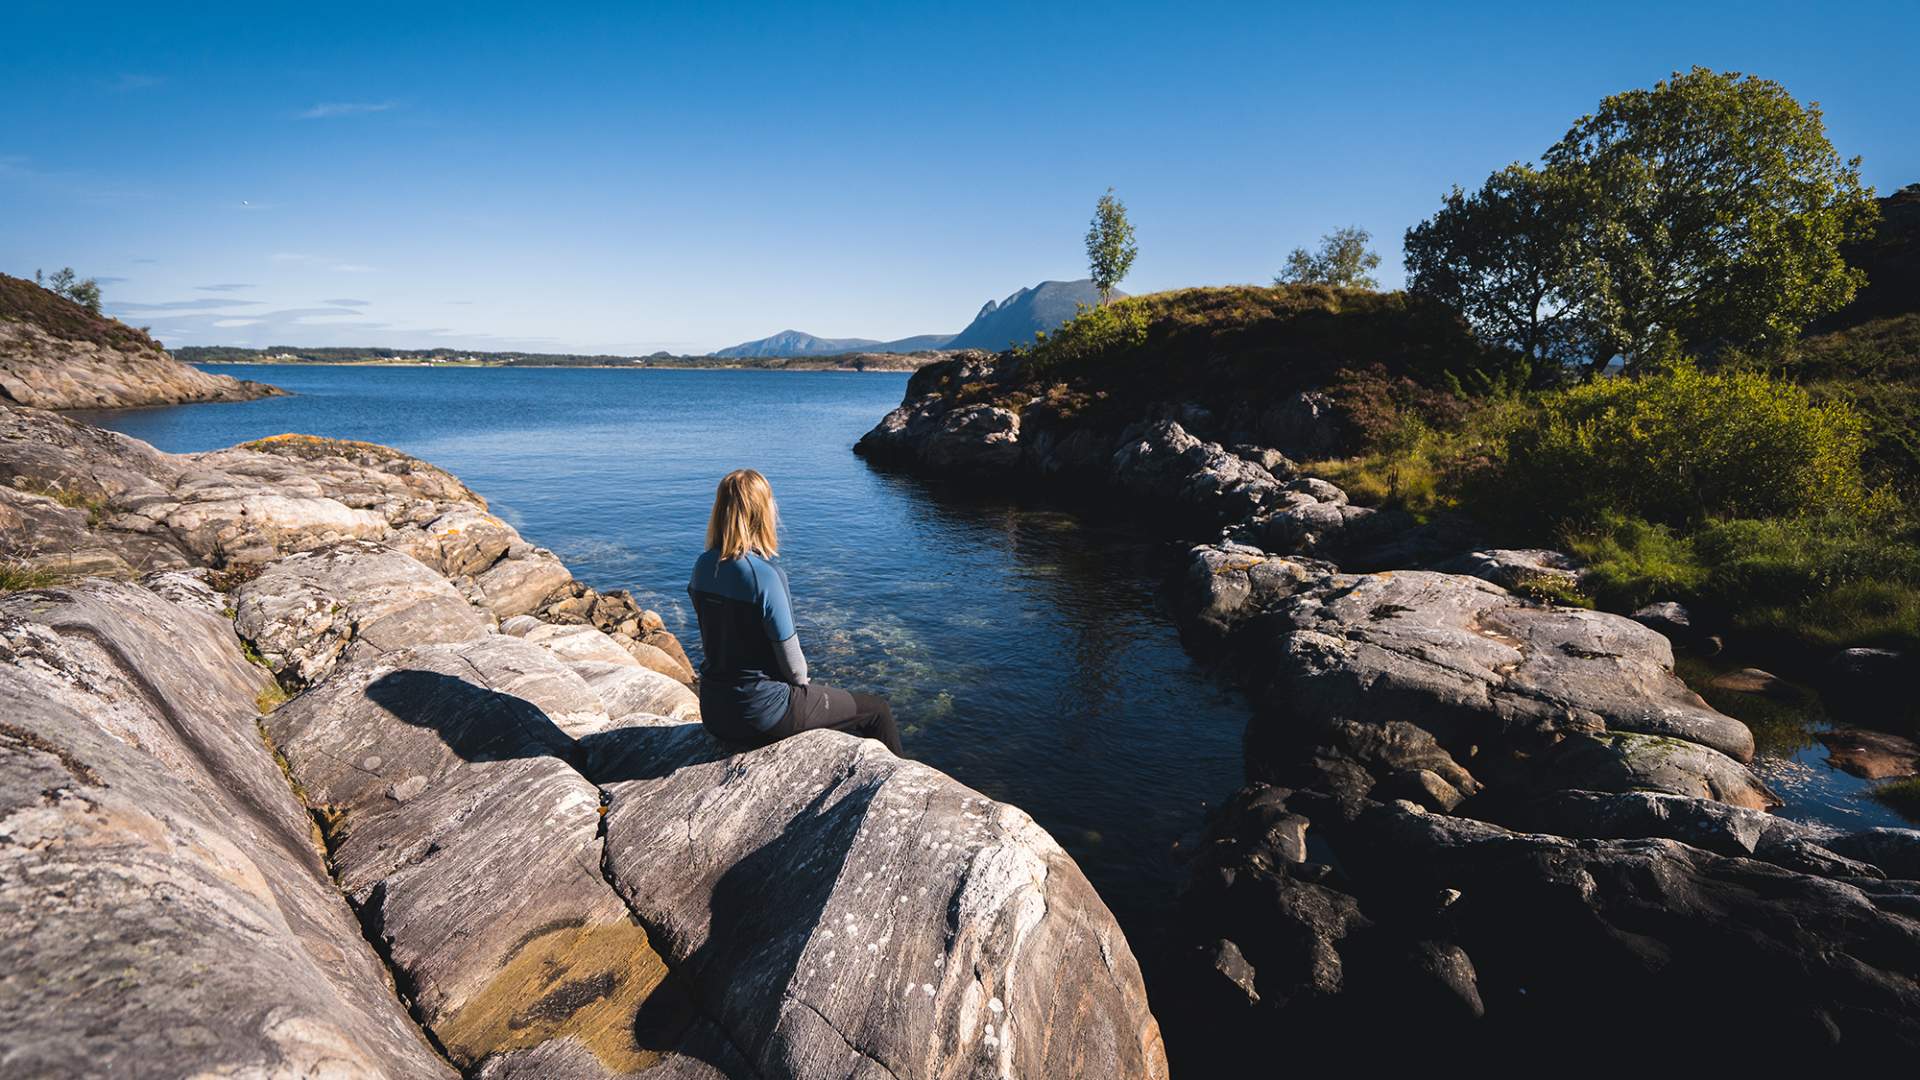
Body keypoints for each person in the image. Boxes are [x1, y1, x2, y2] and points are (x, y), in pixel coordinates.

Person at [687, 468, 904, 756]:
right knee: (876, 710)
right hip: (761, 715)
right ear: (762, 512)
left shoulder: (701, 567)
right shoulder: (765, 575)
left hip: (714, 711)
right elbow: (796, 670)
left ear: (720, 510)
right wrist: (804, 691)